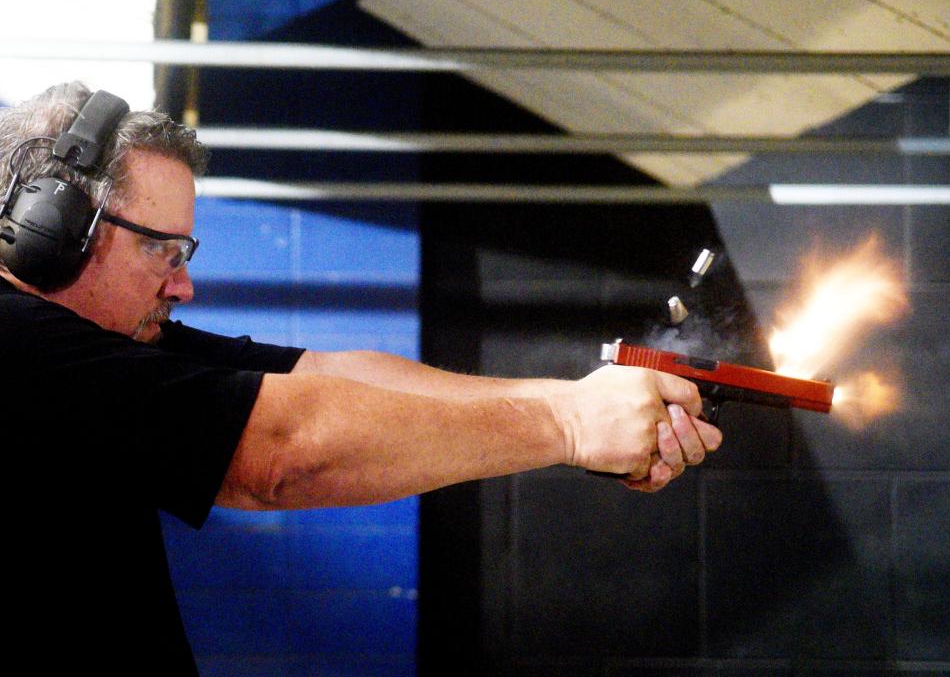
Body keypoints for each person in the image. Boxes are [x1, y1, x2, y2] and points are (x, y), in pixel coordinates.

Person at [0, 83, 721, 674]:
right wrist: (566, 428)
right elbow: (282, 450)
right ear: (55, 228)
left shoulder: (108, 348)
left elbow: (323, 374)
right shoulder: (16, 347)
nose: (183, 284)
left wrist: (575, 399)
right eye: (162, 250)